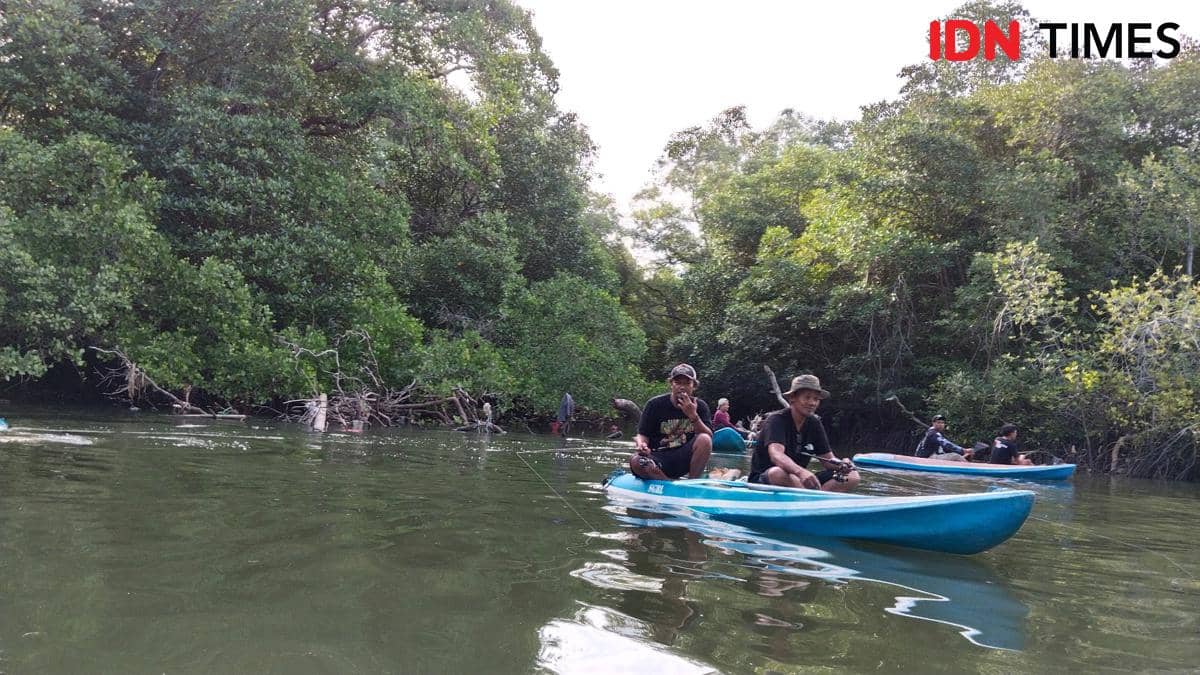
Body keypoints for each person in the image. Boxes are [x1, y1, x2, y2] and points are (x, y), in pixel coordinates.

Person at [749, 374, 860, 492]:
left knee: (852, 476)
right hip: (768, 479)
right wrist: (800, 472)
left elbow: (828, 460)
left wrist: (842, 464)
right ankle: (813, 499)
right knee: (777, 472)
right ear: (792, 398)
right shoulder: (776, 420)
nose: (812, 403)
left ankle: (814, 501)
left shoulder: (814, 423)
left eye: (816, 399)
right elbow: (776, 455)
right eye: (807, 397)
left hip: (798, 481)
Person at [629, 364, 714, 480]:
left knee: (704, 439)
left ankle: (692, 483)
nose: (682, 387)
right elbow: (643, 434)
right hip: (658, 458)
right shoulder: (654, 404)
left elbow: (708, 438)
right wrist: (642, 445)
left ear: (694, 386)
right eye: (678, 383)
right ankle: (667, 483)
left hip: (683, 458)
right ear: (671, 384)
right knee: (636, 461)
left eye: (687, 383)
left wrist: (693, 415)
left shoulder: (700, 406)